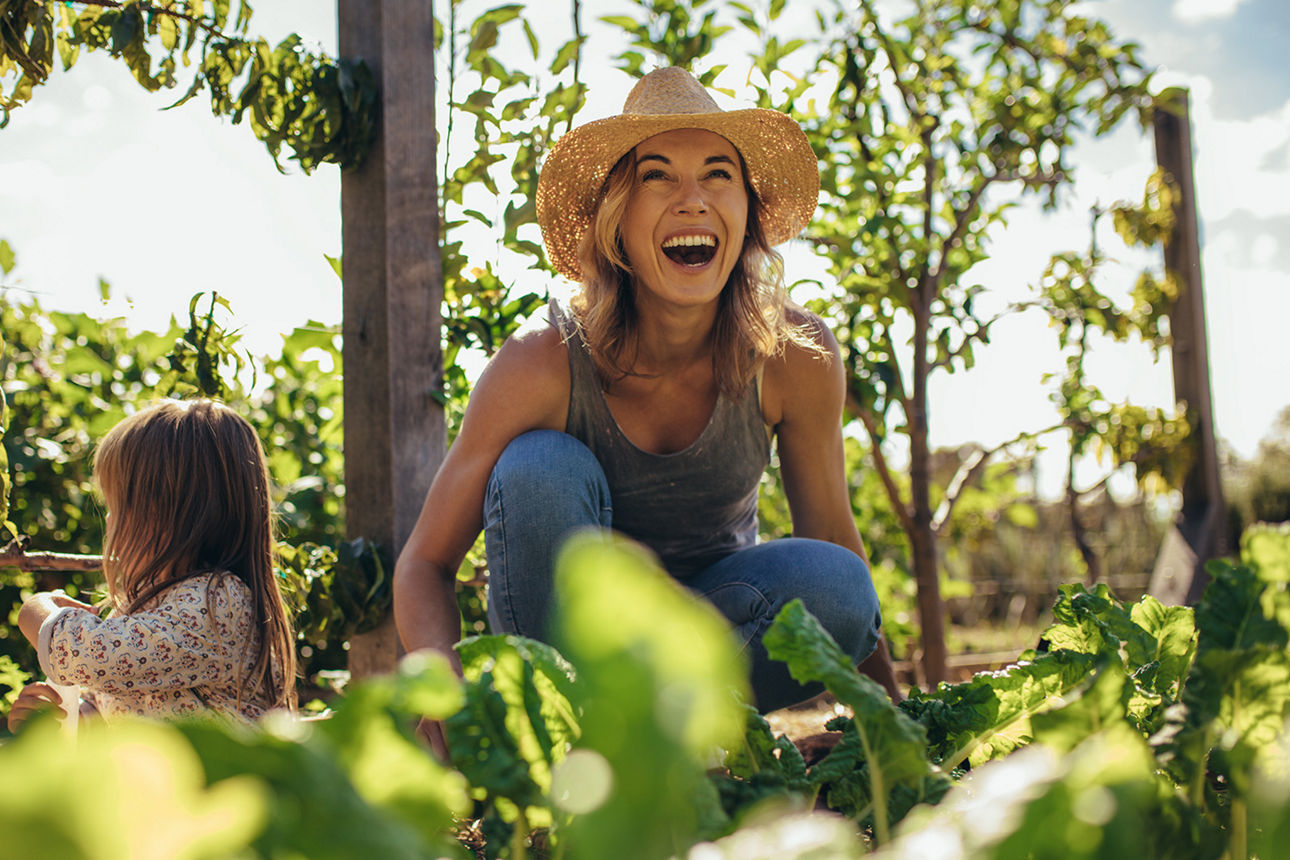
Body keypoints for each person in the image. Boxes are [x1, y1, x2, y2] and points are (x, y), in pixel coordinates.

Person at [394, 67, 900, 755]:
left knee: (842, 584)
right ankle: (576, 744)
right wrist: (438, 675)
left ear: (747, 214)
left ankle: (668, 736)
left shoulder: (794, 355)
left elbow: (836, 541)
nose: (693, 200)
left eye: (718, 174)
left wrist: (894, 719)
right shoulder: (541, 363)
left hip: (718, 634)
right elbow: (424, 562)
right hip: (567, 656)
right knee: (539, 467)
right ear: (617, 222)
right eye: (659, 176)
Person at [7, 399, 297, 732]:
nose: (110, 520)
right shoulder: (147, 604)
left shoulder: (217, 602)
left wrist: (35, 610)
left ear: (166, 514)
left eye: (116, 505)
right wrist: (65, 717)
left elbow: (83, 655)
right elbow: (122, 704)